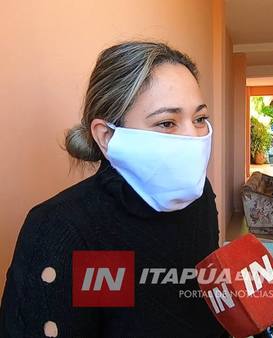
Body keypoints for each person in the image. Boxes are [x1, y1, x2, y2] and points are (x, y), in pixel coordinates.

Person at [0, 41, 226, 337]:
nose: (193, 137)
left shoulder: (199, 196)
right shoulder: (70, 230)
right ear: (106, 136)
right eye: (167, 122)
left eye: (199, 119)